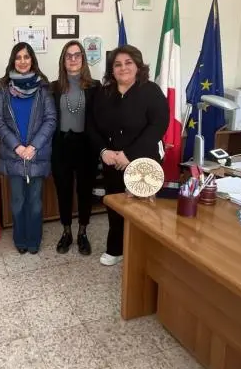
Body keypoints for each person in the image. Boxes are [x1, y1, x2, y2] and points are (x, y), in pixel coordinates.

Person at [87, 45, 169, 266]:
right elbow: (92, 126)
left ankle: (145, 254)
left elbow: (158, 126)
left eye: (128, 63)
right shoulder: (104, 93)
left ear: (138, 66)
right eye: (117, 64)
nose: (123, 68)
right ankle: (115, 248)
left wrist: (130, 155)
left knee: (143, 209)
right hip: (112, 161)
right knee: (116, 206)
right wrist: (104, 152)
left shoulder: (151, 91)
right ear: (111, 70)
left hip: (143, 160)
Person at [0, 43, 55, 254]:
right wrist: (17, 147)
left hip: (37, 155)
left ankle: (34, 239)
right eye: (18, 57)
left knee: (35, 202)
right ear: (13, 60)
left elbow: (50, 119)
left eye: (26, 57)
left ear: (32, 60)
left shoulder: (44, 87)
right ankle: (20, 238)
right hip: (14, 155)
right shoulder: (3, 87)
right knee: (18, 201)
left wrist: (34, 146)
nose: (22, 61)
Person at [50, 41, 101, 255]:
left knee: (84, 190)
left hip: (86, 145)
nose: (73, 59)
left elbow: (99, 119)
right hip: (61, 144)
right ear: (63, 59)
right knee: (63, 190)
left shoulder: (95, 87)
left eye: (77, 55)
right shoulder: (53, 87)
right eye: (68, 55)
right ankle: (67, 231)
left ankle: (82, 232)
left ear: (83, 58)